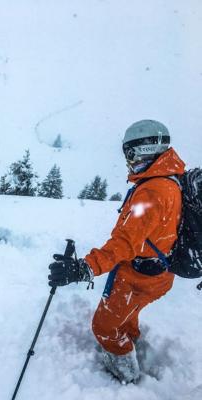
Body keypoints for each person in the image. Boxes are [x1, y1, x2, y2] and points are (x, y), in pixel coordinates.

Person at [48, 120, 185, 383]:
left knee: (104, 326)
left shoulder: (152, 193)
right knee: (128, 313)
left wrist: (83, 268)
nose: (128, 162)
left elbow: (122, 244)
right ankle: (130, 338)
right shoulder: (170, 181)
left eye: (130, 155)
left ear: (146, 150)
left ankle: (127, 374)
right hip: (160, 273)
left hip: (138, 276)